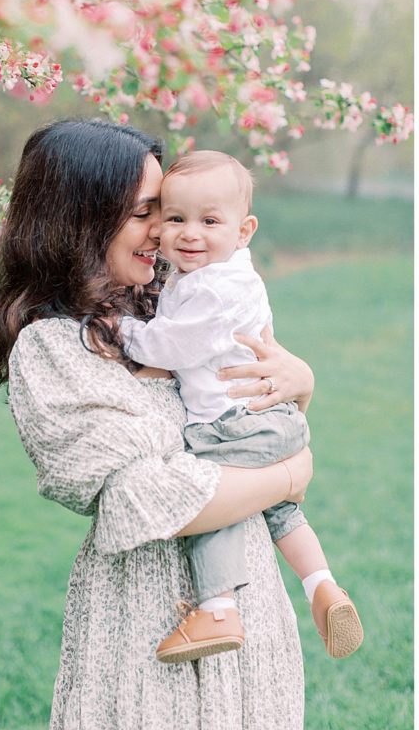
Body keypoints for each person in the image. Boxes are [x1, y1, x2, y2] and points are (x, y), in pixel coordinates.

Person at [0, 118, 315, 730]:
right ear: (81, 217)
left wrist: (301, 380)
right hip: (145, 616)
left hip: (247, 597)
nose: (166, 232)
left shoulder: (178, 304)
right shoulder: (52, 350)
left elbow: (258, 413)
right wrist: (289, 477)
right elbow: (149, 501)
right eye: (145, 214)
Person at [120, 150, 363, 664]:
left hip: (232, 426)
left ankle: (217, 607)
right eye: (175, 218)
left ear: (244, 229)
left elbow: (171, 348)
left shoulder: (216, 287)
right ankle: (323, 586)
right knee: (281, 510)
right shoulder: (213, 273)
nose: (189, 233)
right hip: (267, 420)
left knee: (214, 503)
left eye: (209, 221)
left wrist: (121, 331)